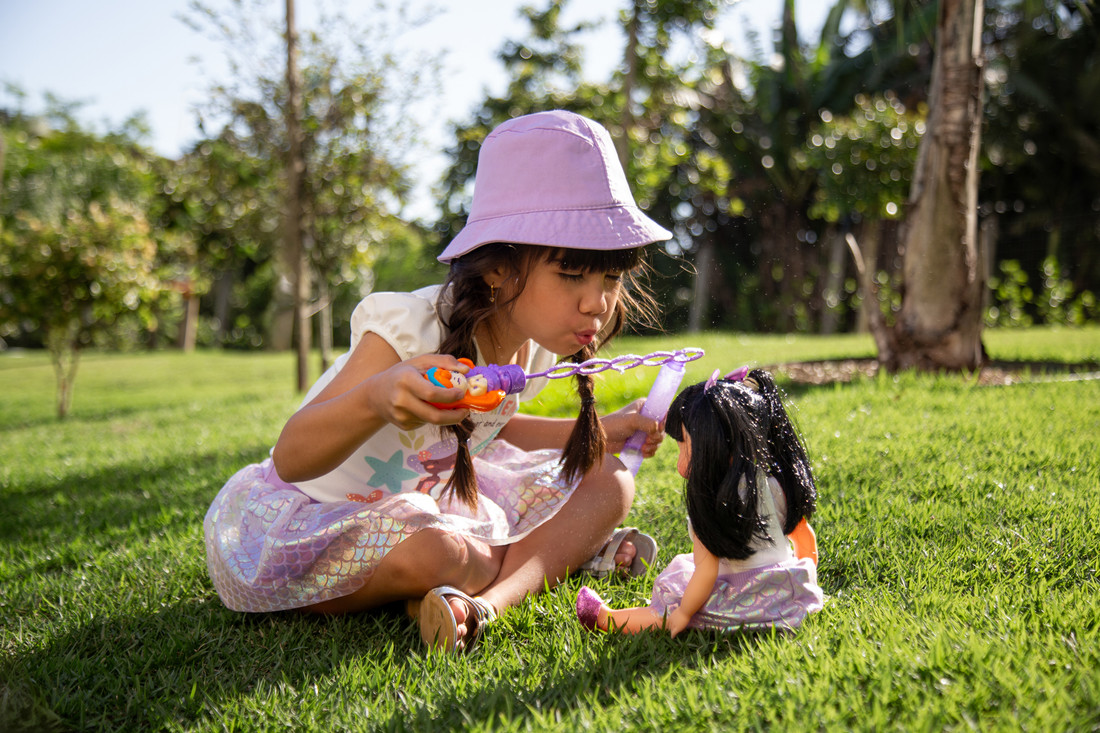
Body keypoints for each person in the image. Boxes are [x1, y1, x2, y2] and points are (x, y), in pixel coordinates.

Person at [203, 110, 671, 652]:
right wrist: (377, 398)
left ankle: (486, 604)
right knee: (439, 553)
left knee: (611, 479)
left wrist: (599, 431)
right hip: (321, 517)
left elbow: (496, 427)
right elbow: (291, 457)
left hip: (430, 502)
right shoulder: (410, 329)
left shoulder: (538, 340)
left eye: (611, 276)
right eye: (571, 274)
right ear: (497, 268)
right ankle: (542, 557)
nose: (598, 302)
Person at [576, 369, 825, 636]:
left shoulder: (711, 504)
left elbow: (706, 573)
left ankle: (607, 619)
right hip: (784, 594)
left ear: (712, 447)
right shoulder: (773, 485)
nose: (679, 461)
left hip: (741, 603)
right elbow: (804, 537)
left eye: (685, 447)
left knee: (666, 611)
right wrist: (807, 578)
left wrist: (684, 612)